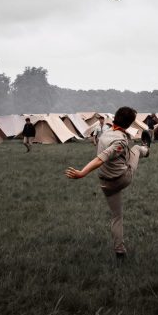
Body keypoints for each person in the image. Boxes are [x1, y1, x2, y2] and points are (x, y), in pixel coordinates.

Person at [65, 106, 149, 260]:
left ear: (115, 118)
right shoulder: (120, 142)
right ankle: (146, 149)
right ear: (129, 124)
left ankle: (119, 251)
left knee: (117, 216)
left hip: (105, 183)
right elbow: (100, 159)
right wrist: (82, 173)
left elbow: (101, 157)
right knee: (136, 148)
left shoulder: (106, 133)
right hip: (122, 179)